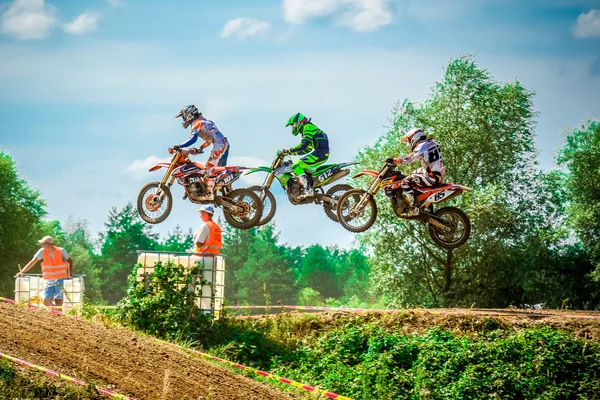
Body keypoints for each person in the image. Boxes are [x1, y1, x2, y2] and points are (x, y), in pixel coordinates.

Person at [171, 105, 230, 200]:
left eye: (183, 116)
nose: (183, 119)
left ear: (189, 115)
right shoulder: (206, 122)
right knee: (218, 172)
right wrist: (200, 148)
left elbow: (192, 139)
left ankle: (209, 194)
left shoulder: (197, 123)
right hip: (223, 144)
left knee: (208, 169)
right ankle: (229, 192)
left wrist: (180, 146)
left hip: (220, 146)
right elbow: (211, 138)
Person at [386, 128, 446, 216]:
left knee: (405, 182)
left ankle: (412, 208)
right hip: (438, 174)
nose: (408, 143)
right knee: (410, 175)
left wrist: (395, 160)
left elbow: (409, 159)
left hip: (431, 177)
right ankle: (419, 200)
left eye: (409, 140)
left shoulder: (421, 146)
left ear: (414, 137)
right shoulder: (432, 142)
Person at [278, 113, 330, 199]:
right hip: (321, 152)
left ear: (298, 123)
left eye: (292, 125)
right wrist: (290, 153)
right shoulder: (308, 128)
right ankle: (307, 186)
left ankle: (308, 189)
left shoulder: (308, 127)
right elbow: (307, 149)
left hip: (320, 153)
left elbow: (303, 145)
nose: (292, 127)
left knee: (296, 165)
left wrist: (289, 150)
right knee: (300, 166)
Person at [17, 236, 73, 307]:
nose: (42, 245)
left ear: (49, 244)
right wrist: (22, 271)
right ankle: (57, 313)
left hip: (61, 279)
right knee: (46, 301)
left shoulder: (61, 251)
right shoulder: (42, 251)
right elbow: (32, 262)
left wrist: (69, 274)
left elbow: (70, 261)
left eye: (43, 243)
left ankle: (58, 316)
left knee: (58, 300)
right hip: (49, 280)